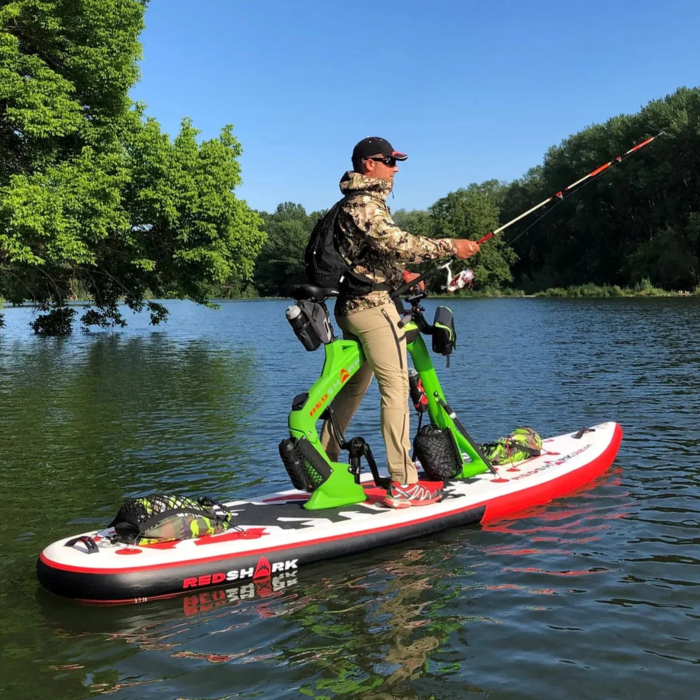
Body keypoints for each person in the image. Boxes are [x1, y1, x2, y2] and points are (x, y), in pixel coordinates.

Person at [319, 136, 480, 508]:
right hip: (372, 309)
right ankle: (404, 483)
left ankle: (323, 465)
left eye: (396, 162)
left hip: (355, 306)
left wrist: (402, 276)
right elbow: (398, 243)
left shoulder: (356, 203)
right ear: (367, 164)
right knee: (395, 390)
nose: (395, 168)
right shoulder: (364, 203)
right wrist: (450, 246)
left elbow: (372, 256)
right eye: (388, 160)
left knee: (354, 387)